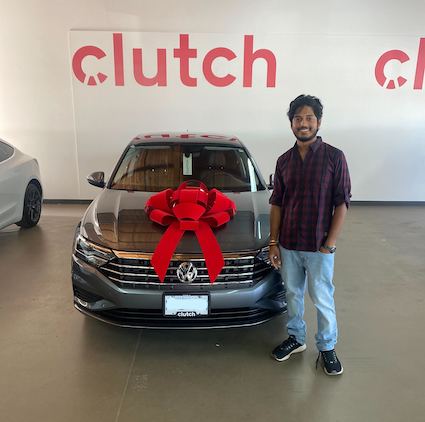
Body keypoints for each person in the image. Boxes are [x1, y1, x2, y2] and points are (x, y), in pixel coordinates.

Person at [269, 94, 351, 376]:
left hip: (319, 246)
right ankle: (296, 338)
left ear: (318, 122)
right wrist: (274, 242)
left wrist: (330, 244)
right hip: (289, 244)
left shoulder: (334, 157)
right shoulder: (284, 161)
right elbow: (277, 203)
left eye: (308, 118)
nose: (303, 124)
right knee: (292, 294)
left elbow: (342, 203)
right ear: (291, 123)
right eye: (298, 119)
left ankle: (327, 347)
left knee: (322, 298)